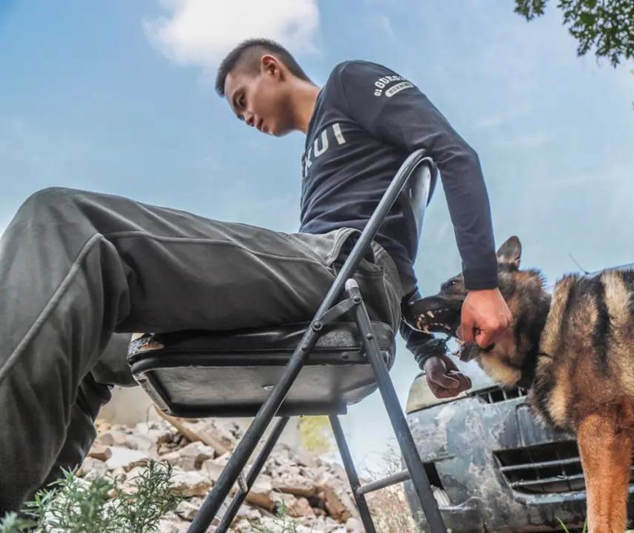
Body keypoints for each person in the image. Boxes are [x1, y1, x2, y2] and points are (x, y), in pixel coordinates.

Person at [0, 38, 510, 513]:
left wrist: (482, 283)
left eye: (242, 99)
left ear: (272, 66)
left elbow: (453, 154)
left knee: (63, 221)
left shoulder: (349, 82)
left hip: (337, 269)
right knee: (83, 330)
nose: (244, 116)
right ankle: (20, 517)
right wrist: (427, 354)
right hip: (332, 281)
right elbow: (395, 263)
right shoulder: (316, 158)